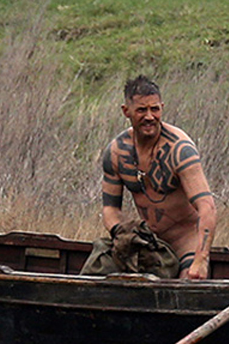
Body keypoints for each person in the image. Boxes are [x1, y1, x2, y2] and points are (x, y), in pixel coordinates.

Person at [89, 75, 217, 279]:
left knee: (185, 291)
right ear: (126, 111)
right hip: (148, 245)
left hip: (185, 243)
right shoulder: (116, 152)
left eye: (155, 109)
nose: (149, 116)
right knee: (96, 272)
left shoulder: (180, 150)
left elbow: (207, 207)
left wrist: (201, 259)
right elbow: (110, 209)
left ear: (162, 108)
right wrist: (124, 234)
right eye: (141, 110)